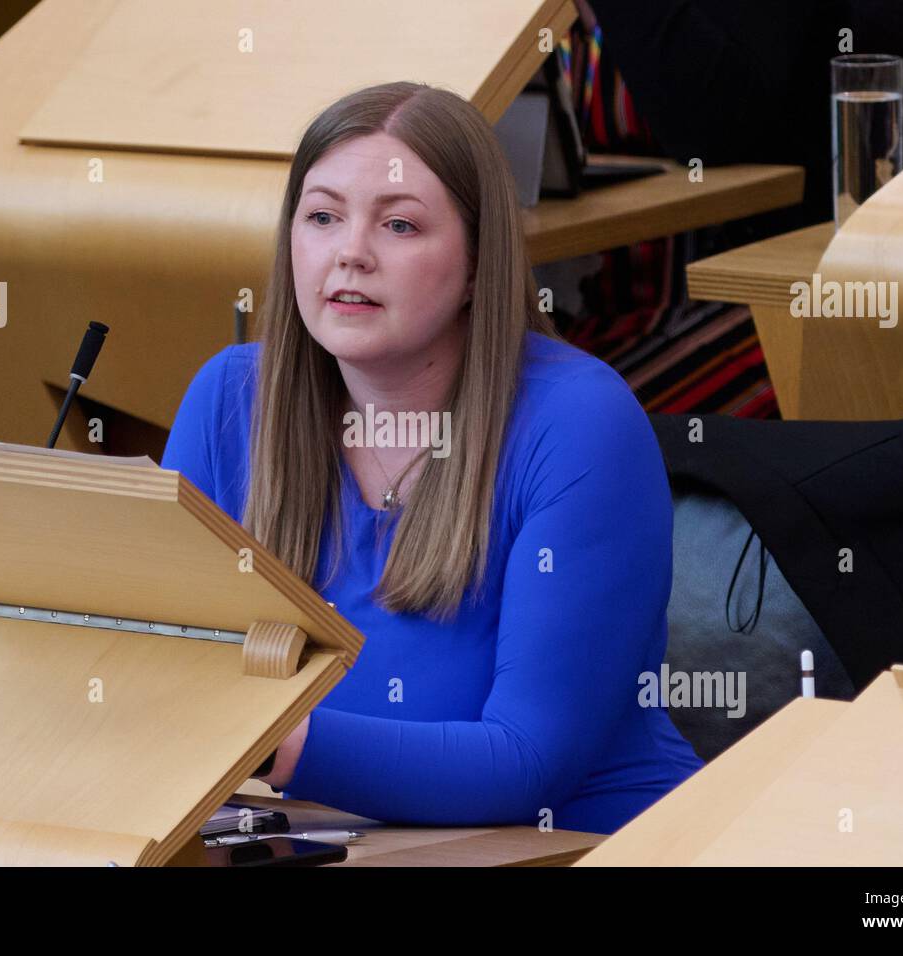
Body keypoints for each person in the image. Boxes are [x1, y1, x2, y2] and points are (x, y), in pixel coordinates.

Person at [162, 81, 703, 834]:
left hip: (579, 847)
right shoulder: (230, 398)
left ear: (479, 265)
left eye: (400, 226)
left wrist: (263, 743)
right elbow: (159, 669)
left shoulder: (582, 423)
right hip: (323, 844)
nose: (350, 253)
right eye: (322, 217)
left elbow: (526, 765)